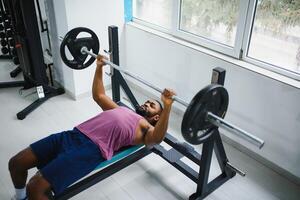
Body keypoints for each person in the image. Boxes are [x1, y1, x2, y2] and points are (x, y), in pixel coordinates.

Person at [8, 55, 176, 200]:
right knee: (16, 163)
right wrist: (99, 67)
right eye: (147, 101)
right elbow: (99, 95)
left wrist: (167, 106)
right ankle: (20, 198)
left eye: (152, 105)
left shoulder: (146, 128)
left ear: (156, 117)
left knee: (35, 187)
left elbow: (157, 138)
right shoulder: (122, 110)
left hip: (90, 150)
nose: (146, 103)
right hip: (72, 135)